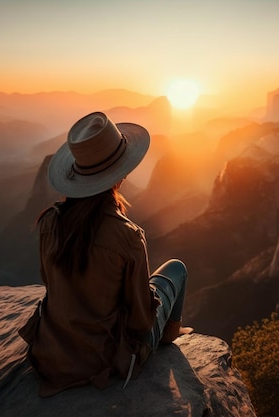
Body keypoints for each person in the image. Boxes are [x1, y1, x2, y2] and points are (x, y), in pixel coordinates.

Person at [19, 111, 192, 397]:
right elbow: (140, 319)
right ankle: (171, 334)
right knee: (176, 269)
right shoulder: (128, 236)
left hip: (51, 355)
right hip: (103, 359)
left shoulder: (50, 221)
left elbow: (49, 282)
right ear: (121, 173)